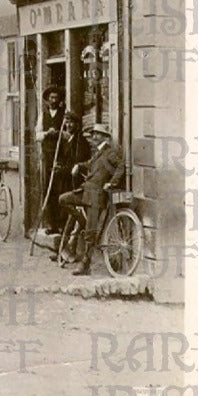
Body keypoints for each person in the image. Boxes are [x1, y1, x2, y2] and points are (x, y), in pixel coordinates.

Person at [58, 123, 126, 276]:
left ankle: (85, 264)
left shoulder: (109, 152)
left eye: (97, 134)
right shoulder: (98, 152)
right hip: (85, 192)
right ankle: (82, 220)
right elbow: (90, 165)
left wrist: (111, 183)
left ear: (104, 137)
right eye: (93, 134)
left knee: (90, 232)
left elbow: (121, 165)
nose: (94, 137)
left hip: (96, 197)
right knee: (63, 199)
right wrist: (78, 165)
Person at [35, 86, 66, 230]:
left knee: (61, 188)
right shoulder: (43, 115)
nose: (54, 100)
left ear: (60, 99)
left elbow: (68, 134)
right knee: (49, 187)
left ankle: (61, 224)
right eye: (51, 98)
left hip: (61, 155)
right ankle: (51, 223)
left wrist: (60, 132)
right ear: (47, 100)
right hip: (47, 156)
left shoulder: (64, 114)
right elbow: (37, 136)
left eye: (56, 98)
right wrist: (47, 133)